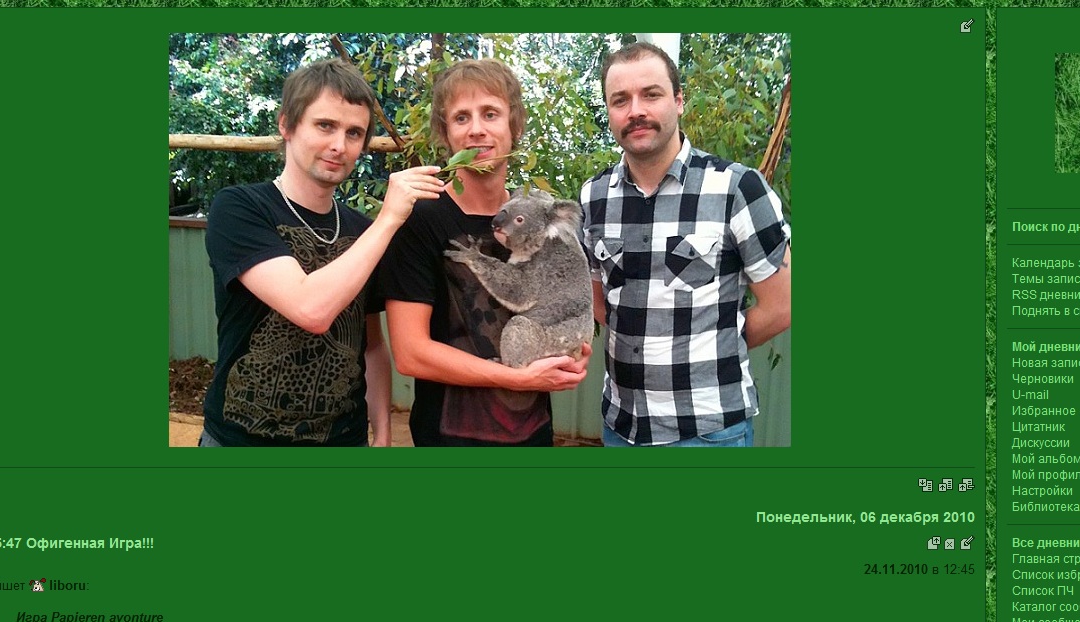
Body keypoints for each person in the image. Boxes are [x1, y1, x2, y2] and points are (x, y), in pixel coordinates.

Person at [201, 58, 444, 446]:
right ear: (287, 125)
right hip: (241, 440)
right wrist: (388, 220)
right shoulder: (240, 208)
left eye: (354, 133)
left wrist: (382, 433)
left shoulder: (362, 231)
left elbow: (372, 345)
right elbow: (309, 309)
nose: (338, 145)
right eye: (325, 125)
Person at [581, 42, 792, 447]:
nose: (635, 110)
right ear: (609, 111)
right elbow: (600, 303)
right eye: (620, 100)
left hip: (709, 433)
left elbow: (783, 305)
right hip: (620, 427)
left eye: (651, 94)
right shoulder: (593, 198)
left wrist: (713, 348)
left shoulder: (736, 188)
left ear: (679, 101)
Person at [380, 59, 590, 447]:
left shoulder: (541, 217)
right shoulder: (420, 220)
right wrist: (517, 377)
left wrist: (571, 350)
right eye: (461, 117)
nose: (477, 129)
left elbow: (567, 302)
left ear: (514, 125)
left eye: (490, 114)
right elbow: (410, 354)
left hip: (533, 436)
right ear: (447, 134)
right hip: (448, 443)